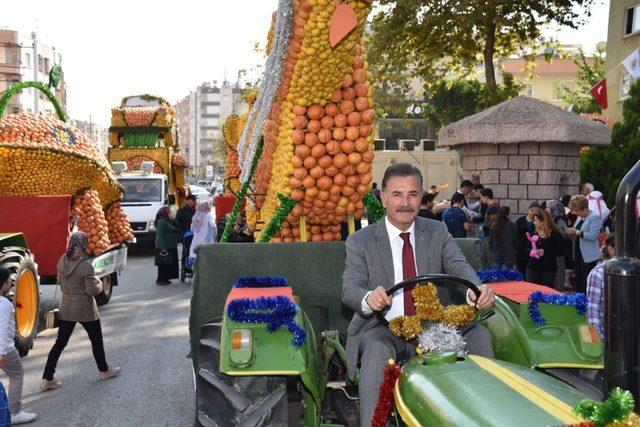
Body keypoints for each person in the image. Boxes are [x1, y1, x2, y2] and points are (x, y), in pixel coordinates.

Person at [342, 163, 495, 427]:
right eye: (397, 194)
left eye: (413, 194)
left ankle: (484, 417)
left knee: (480, 334)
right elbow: (350, 288)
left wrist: (475, 291)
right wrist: (369, 297)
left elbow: (458, 265)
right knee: (378, 349)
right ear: (384, 198)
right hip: (385, 326)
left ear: (421, 196)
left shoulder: (437, 231)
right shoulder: (361, 241)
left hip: (435, 326)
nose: (405, 202)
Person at [41, 232, 120, 391]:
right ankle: (104, 370)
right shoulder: (85, 265)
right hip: (85, 308)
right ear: (83, 245)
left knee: (60, 343)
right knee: (96, 339)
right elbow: (93, 290)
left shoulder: (62, 259)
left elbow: (61, 280)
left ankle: (47, 378)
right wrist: (98, 281)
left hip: (67, 306)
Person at [0, 268, 37, 424]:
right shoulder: (4, 304)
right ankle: (14, 412)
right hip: (5, 350)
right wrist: (2, 352)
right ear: (2, 284)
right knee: (17, 374)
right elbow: (2, 329)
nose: (11, 282)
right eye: (9, 280)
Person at [566, 195, 603, 293]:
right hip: (579, 253)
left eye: (576, 210)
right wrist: (569, 232)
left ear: (584, 208)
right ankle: (579, 302)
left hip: (589, 256)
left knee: (586, 282)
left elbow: (593, 236)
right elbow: (576, 232)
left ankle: (587, 304)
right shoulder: (580, 217)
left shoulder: (595, 217)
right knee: (579, 280)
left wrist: (577, 232)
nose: (574, 213)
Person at [587, 234, 615, 340]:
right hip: (606, 335)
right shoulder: (598, 273)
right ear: (611, 249)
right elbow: (592, 308)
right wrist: (599, 338)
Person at [525, 211, 564, 287]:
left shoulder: (556, 235)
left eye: (536, 220)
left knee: (546, 293)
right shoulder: (534, 234)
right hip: (532, 268)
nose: (534, 222)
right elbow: (526, 249)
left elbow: (561, 251)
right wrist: (531, 251)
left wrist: (544, 252)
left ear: (543, 221)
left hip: (548, 269)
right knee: (531, 291)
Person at [546, 199, 571, 290]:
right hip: (557, 249)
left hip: (559, 249)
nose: (546, 209)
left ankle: (558, 290)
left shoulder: (558, 218)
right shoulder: (554, 217)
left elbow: (565, 234)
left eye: (548, 207)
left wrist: (554, 229)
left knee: (559, 271)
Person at [155, 207, 179, 285]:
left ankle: (166, 278)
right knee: (163, 264)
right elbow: (160, 235)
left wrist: (174, 219)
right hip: (165, 246)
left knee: (169, 264)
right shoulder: (161, 222)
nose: (170, 214)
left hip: (171, 246)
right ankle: (161, 279)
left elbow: (178, 227)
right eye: (169, 212)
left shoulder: (169, 221)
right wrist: (163, 247)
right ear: (165, 214)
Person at [515, 202, 541, 278]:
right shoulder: (521, 220)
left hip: (532, 249)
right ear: (528, 210)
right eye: (532, 210)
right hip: (521, 248)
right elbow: (516, 233)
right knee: (520, 269)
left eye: (536, 211)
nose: (533, 213)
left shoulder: (537, 222)